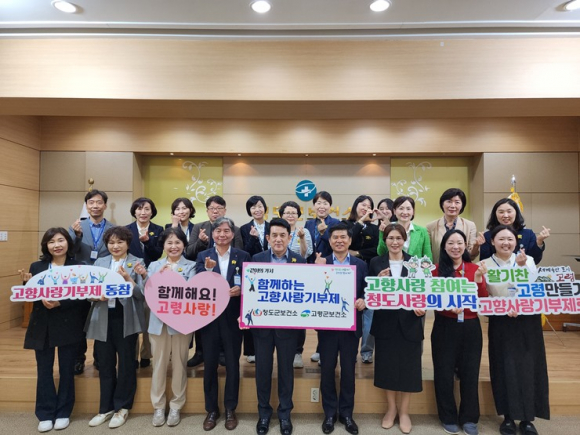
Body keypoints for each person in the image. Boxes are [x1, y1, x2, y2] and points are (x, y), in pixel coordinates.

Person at [479, 225, 549, 435]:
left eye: (510, 239)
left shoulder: (528, 260)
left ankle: (528, 418)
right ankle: (508, 417)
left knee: (529, 366)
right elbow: (485, 294)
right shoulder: (484, 264)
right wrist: (504, 306)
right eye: (501, 239)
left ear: (516, 242)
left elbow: (533, 288)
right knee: (503, 366)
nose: (506, 243)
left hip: (527, 320)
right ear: (492, 242)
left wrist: (521, 267)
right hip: (501, 320)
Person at [21, 228, 88, 433]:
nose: (56, 245)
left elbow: (84, 297)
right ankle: (45, 413)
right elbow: (30, 295)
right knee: (44, 370)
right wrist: (27, 284)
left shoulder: (79, 266)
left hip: (68, 323)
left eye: (60, 240)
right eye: (51, 242)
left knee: (67, 370)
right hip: (43, 325)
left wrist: (61, 302)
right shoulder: (37, 266)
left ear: (68, 243)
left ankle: (63, 412)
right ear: (46, 246)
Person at [134, 228, 196, 428]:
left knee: (180, 364)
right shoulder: (154, 265)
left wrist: (173, 277)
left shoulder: (191, 266)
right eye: (169, 243)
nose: (173, 246)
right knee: (159, 365)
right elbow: (145, 293)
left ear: (184, 245)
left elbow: (192, 293)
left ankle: (176, 405)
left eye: (178, 242)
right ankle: (158, 406)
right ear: (163, 246)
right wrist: (147, 276)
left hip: (181, 324)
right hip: (158, 323)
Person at [195, 217, 251, 431]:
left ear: (232, 234)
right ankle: (211, 410)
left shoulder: (243, 256)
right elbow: (197, 285)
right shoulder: (203, 256)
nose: (222, 234)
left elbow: (251, 282)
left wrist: (242, 289)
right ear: (212, 234)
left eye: (226, 231)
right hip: (209, 318)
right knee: (209, 364)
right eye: (218, 231)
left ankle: (230, 409)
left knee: (233, 364)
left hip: (232, 317)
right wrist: (208, 273)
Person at [251, 218, 306, 435]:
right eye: (274, 235)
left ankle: (284, 415)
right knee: (262, 371)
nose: (278, 239)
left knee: (286, 372)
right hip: (262, 327)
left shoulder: (299, 261)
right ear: (268, 238)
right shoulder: (257, 259)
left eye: (283, 235)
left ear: (289, 238)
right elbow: (250, 291)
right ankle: (264, 414)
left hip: (288, 327)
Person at [86, 226, 145, 429]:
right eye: (111, 242)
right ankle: (105, 408)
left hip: (125, 318)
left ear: (128, 243)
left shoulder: (137, 262)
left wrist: (129, 279)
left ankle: (122, 407)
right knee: (105, 364)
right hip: (103, 317)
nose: (115, 246)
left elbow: (142, 295)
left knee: (127, 364)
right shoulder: (100, 263)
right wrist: (95, 296)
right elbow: (89, 291)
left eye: (120, 242)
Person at [369, 224, 425, 434]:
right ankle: (391, 409)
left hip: (410, 320)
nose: (395, 242)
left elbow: (424, 290)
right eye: (390, 238)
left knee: (409, 368)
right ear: (385, 240)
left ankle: (404, 412)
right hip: (385, 321)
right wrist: (378, 283)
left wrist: (422, 306)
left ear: (404, 240)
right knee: (387, 367)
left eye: (398, 238)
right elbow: (369, 293)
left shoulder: (415, 263)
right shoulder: (376, 262)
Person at [431, 229, 488, 435]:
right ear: (444, 247)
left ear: (465, 246)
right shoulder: (435, 270)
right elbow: (430, 298)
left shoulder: (475, 268)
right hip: (444, 325)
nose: (455, 247)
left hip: (471, 326)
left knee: (470, 373)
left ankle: (469, 418)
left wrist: (479, 279)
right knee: (443, 373)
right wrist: (447, 306)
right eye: (451, 243)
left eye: (459, 243)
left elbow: (483, 299)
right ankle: (447, 416)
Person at [315, 223, 368, 435]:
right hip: (327, 327)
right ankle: (329, 413)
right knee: (327, 370)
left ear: (350, 240)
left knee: (348, 371)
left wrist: (363, 300)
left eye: (343, 237)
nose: (339, 240)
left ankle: (346, 413)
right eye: (335, 237)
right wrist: (316, 270)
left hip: (350, 326)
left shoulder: (360, 264)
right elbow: (312, 290)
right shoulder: (321, 262)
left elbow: (366, 291)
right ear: (329, 241)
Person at [69, 189, 115, 375]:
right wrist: (76, 235)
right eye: (91, 202)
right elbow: (70, 252)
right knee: (79, 320)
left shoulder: (113, 228)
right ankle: (79, 358)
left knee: (101, 319)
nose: (95, 206)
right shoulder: (77, 226)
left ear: (105, 205)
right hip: (81, 279)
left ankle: (99, 357)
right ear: (86, 206)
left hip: (103, 278)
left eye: (99, 202)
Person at [126, 197, 164, 369]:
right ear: (134, 211)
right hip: (131, 276)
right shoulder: (126, 229)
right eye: (139, 208)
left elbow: (157, 254)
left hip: (151, 276)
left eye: (147, 209)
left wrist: (147, 242)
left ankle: (146, 354)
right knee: (133, 315)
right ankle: (132, 355)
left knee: (150, 316)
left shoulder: (158, 229)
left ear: (152, 211)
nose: (143, 212)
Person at [305, 191, 340, 364]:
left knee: (328, 310)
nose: (321, 206)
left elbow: (338, 245)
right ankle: (320, 349)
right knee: (317, 310)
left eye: (325, 203)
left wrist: (325, 233)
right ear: (313, 206)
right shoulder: (309, 223)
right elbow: (307, 247)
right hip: (312, 271)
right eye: (318, 203)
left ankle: (324, 350)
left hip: (330, 270)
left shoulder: (336, 223)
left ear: (330, 206)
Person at [344, 195, 379, 364]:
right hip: (348, 273)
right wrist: (360, 222)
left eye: (368, 206)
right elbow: (348, 240)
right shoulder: (347, 224)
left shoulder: (374, 228)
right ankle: (346, 349)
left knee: (369, 312)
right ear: (355, 206)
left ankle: (366, 350)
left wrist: (358, 253)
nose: (365, 208)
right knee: (348, 309)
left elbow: (377, 250)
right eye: (362, 204)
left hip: (370, 271)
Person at [279, 201, 313, 368]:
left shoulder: (304, 231)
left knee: (299, 315)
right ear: (281, 215)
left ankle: (297, 352)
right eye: (287, 212)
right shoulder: (277, 230)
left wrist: (301, 238)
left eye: (294, 213)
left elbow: (306, 254)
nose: (290, 215)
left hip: (299, 278)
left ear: (298, 216)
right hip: (279, 279)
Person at [239, 195, 269, 363]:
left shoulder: (272, 226)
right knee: (251, 309)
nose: (257, 209)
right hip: (252, 274)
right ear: (249, 211)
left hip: (271, 273)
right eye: (253, 207)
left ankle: (265, 348)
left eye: (259, 206)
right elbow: (245, 252)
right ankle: (250, 351)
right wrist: (253, 238)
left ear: (265, 208)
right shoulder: (244, 229)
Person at [478, 198, 550, 265]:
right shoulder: (488, 235)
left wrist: (539, 241)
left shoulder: (528, 234)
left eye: (509, 211)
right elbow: (484, 261)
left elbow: (535, 260)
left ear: (516, 213)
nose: (505, 215)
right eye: (501, 212)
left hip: (522, 272)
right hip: (495, 273)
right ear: (495, 214)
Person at [426, 188, 478, 264]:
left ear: (462, 205)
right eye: (449, 201)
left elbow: (471, 256)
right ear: (442, 204)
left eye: (457, 202)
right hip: (439, 268)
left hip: (462, 269)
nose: (453, 206)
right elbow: (428, 254)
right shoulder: (430, 227)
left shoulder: (470, 225)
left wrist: (476, 246)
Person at [377, 196, 432, 261]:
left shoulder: (422, 231)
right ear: (394, 211)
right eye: (401, 208)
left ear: (413, 211)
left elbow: (428, 257)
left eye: (408, 209)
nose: (405, 212)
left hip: (416, 267)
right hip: (392, 266)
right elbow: (381, 253)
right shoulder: (388, 228)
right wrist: (382, 233)